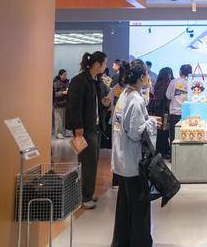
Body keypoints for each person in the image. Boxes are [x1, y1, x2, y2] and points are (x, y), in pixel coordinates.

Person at [111, 59, 160, 247]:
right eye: (146, 74)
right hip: (134, 162)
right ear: (141, 77)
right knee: (139, 207)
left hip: (122, 160)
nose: (148, 77)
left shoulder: (125, 95)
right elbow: (135, 132)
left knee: (125, 207)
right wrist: (151, 122)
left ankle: (122, 241)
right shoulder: (135, 99)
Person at [66, 51, 107, 210]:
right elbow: (74, 106)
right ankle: (84, 196)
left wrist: (105, 103)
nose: (105, 66)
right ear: (97, 64)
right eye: (104, 63)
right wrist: (78, 128)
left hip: (94, 127)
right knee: (87, 163)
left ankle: (87, 193)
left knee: (91, 162)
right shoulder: (79, 81)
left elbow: (96, 104)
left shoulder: (95, 81)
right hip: (84, 129)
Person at [149, 67, 174, 159]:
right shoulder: (166, 86)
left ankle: (161, 150)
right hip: (164, 112)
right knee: (164, 132)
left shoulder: (158, 85)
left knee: (161, 132)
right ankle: (163, 151)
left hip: (159, 112)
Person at [166, 64, 193, 146]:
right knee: (185, 137)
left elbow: (168, 96)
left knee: (174, 137)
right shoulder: (191, 83)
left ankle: (173, 153)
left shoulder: (173, 82)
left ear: (180, 72)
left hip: (174, 113)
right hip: (186, 114)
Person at [53, 69, 70, 139]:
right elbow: (54, 94)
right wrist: (63, 93)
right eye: (64, 75)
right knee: (59, 120)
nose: (65, 76)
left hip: (66, 103)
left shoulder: (67, 82)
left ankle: (65, 132)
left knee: (65, 119)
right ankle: (58, 133)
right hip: (58, 104)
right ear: (60, 75)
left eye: (66, 75)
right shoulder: (56, 83)